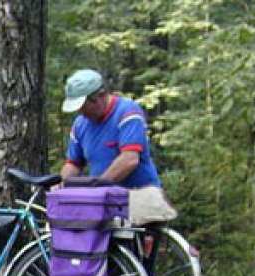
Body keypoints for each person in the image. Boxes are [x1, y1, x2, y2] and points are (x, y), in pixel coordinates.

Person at [59, 69, 177, 224]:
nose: (81, 111)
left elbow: (130, 159)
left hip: (139, 196)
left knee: (136, 244)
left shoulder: (127, 112)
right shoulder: (80, 124)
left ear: (100, 96)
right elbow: (73, 164)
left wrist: (97, 186)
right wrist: (61, 186)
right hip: (105, 201)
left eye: (83, 105)